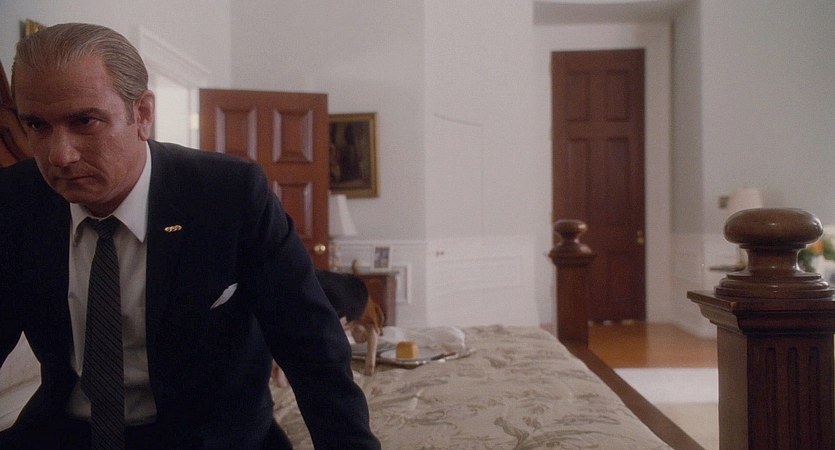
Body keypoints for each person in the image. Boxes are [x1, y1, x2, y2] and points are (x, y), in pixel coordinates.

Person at [0, 22, 379, 449]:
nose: (59, 155)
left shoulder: (229, 194)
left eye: (85, 121)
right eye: (37, 125)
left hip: (211, 438)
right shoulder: (15, 201)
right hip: (65, 434)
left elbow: (312, 348)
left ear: (143, 114)